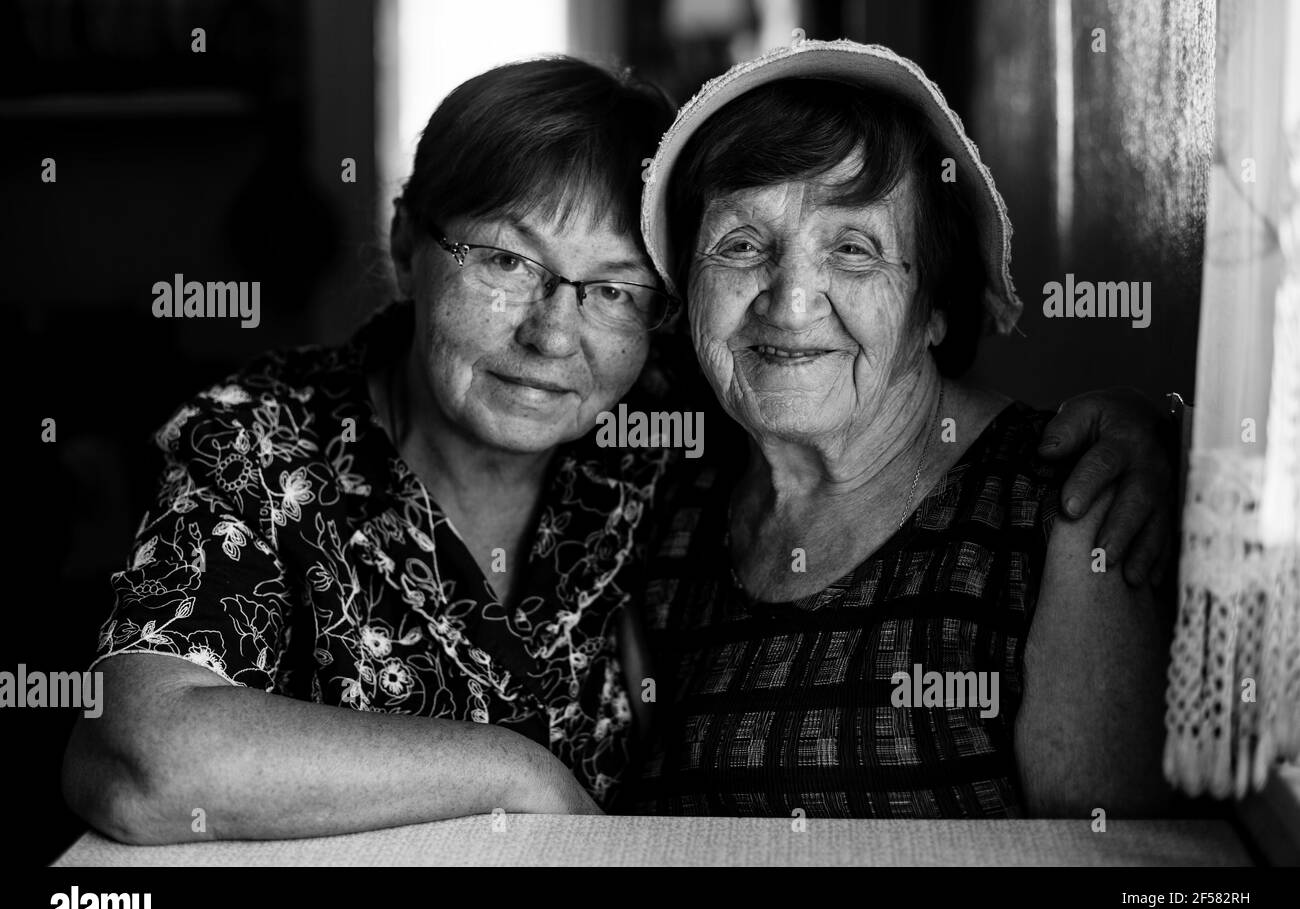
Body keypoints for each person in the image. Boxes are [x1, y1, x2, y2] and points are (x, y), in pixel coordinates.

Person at [63, 54, 1170, 845]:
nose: (553, 332)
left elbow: (1115, 859)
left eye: (609, 289)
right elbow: (144, 758)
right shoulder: (263, 438)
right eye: (503, 261)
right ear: (405, 243)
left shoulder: (669, 433)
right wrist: (520, 776)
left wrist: (1149, 426)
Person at [633, 39, 1172, 817]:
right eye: (741, 245)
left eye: (853, 250)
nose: (789, 303)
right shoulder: (672, 508)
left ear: (935, 308)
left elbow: (1128, 883)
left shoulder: (1071, 509)